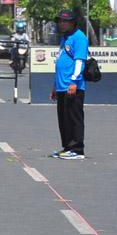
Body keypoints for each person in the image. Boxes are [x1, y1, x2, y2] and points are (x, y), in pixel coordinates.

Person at [50, 9, 88, 160]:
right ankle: (67, 147)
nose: (62, 24)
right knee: (63, 120)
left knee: (74, 119)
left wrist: (74, 81)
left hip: (73, 86)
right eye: (60, 21)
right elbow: (61, 61)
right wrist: (54, 86)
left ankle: (77, 149)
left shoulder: (79, 37)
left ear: (73, 22)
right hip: (61, 86)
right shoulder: (65, 38)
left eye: (65, 21)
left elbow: (79, 61)